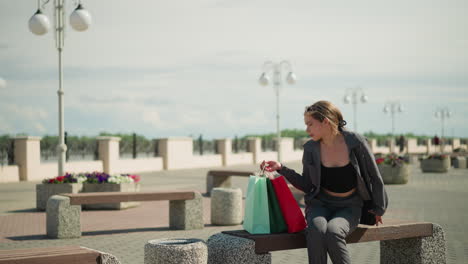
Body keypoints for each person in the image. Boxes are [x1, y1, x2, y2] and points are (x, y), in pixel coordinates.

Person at [261, 100, 388, 264]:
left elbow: (373, 175)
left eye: (310, 124)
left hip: (350, 205)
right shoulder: (310, 149)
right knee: (317, 230)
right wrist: (281, 168)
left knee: (334, 231)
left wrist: (379, 208)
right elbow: (307, 184)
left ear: (325, 122)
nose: (307, 130)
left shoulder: (355, 141)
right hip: (320, 203)